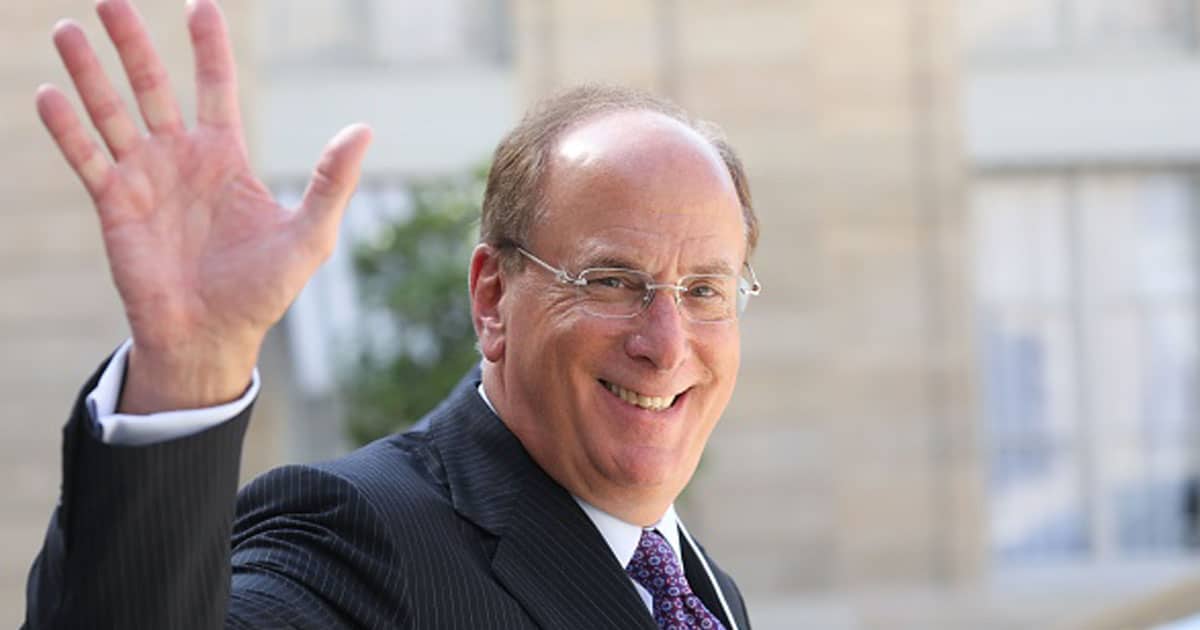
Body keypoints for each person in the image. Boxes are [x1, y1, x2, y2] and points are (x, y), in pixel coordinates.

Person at [23, 0, 762, 628]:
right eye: (609, 281)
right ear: (493, 299)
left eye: (704, 291)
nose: (666, 345)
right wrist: (187, 373)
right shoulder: (358, 538)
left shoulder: (699, 589)